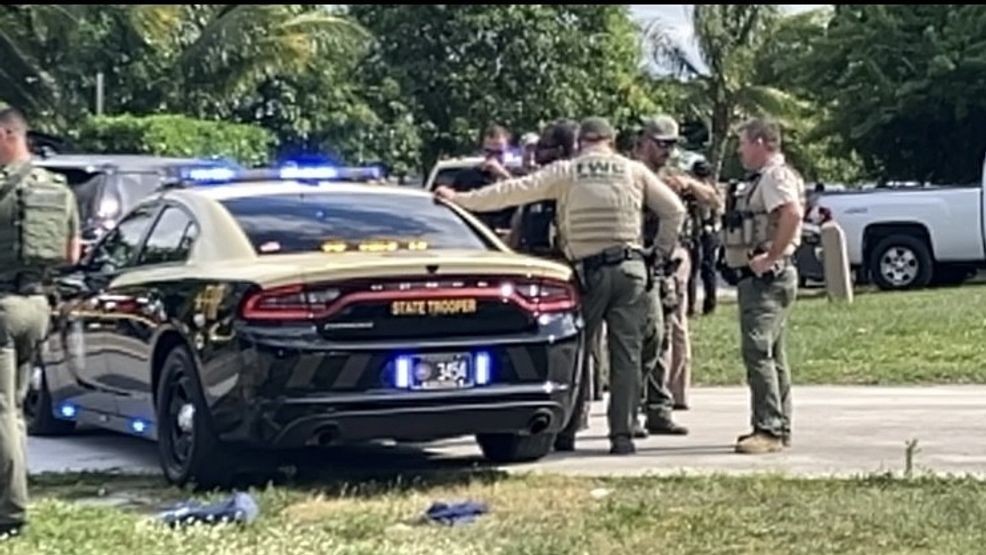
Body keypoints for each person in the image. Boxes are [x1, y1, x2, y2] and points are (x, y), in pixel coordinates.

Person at [435, 116, 685, 455]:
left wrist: (459, 199)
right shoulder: (632, 170)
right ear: (610, 141)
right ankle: (622, 435)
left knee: (580, 350)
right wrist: (659, 255)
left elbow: (508, 193)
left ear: (582, 141)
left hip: (588, 273)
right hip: (631, 270)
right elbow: (675, 210)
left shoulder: (567, 171)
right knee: (627, 355)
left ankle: (568, 431)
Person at [0, 106, 81, 538]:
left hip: (2, 307)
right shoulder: (57, 187)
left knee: (2, 412)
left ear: (8, 135)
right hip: (37, 307)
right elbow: (71, 255)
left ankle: (10, 514)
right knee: (14, 412)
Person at [721, 118, 804, 454]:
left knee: (758, 351)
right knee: (773, 354)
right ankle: (777, 426)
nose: (740, 150)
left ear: (759, 142)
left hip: (767, 278)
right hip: (765, 277)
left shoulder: (774, 177)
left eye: (743, 143)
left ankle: (768, 430)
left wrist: (771, 256)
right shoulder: (766, 179)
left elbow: (792, 214)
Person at [632, 115, 719, 432]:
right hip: (635, 258)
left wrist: (690, 185)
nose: (667, 151)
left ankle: (660, 407)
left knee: (665, 334)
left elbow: (715, 200)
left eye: (671, 145)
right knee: (634, 339)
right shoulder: (631, 174)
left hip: (669, 262)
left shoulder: (673, 177)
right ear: (644, 142)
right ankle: (631, 408)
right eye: (661, 144)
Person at [450, 124, 517, 233]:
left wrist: (503, 175)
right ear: (482, 151)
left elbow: (521, 196)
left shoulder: (517, 176)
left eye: (498, 153)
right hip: (475, 234)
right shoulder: (466, 177)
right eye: (489, 152)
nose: (493, 157)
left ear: (507, 150)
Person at [685, 159, 722, 316]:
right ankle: (703, 305)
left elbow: (717, 209)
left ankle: (697, 306)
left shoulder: (699, 190)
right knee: (704, 269)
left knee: (698, 270)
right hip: (706, 231)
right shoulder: (713, 189)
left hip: (703, 231)